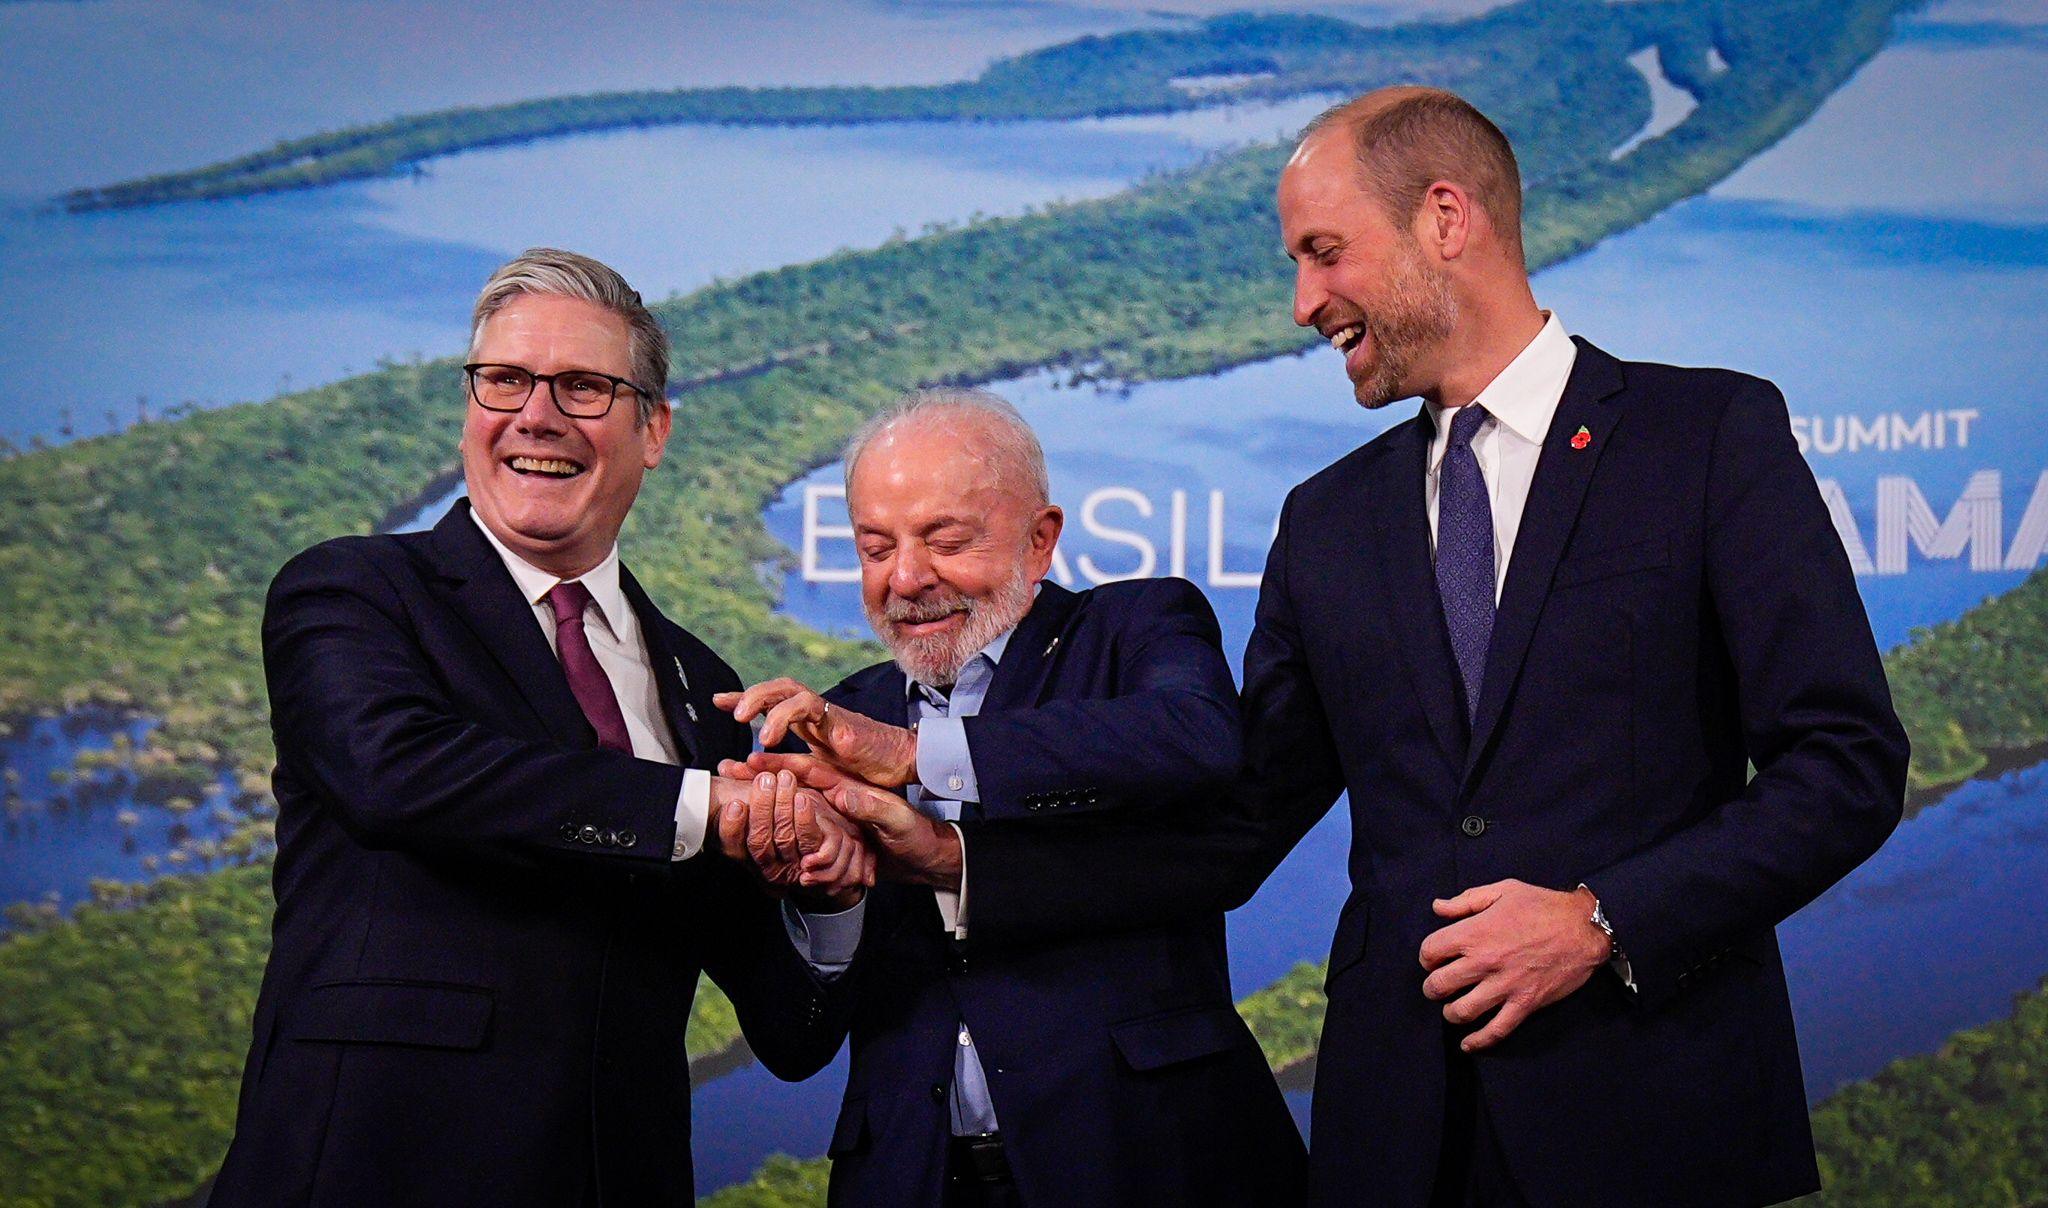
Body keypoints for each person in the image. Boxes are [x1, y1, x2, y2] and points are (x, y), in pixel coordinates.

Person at [933, 89, 1910, 1206]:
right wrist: (960, 863)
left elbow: (1842, 763)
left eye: (1323, 251)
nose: (1302, 301)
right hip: (1392, 1138)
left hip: (1648, 1119)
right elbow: (1236, 820)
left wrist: (1602, 917)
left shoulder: (1704, 437)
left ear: (1445, 218)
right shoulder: (1326, 519)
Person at [210, 248, 867, 1207]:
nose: (536, 415)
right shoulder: (353, 591)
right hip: (371, 1170)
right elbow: (395, 773)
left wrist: (831, 890)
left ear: (654, 431)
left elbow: (795, 1030)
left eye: (584, 387)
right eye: (505, 380)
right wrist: (706, 809)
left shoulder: (703, 688)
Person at [715, 388, 1306, 1207]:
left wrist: (921, 756)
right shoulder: (836, 719)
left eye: (946, 541)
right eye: (875, 548)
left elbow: (1196, 738)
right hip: (910, 1181)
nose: (907, 578)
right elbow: (791, 1041)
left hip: (1149, 1162)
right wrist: (831, 896)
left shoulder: (1132, 628)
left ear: (1041, 540)